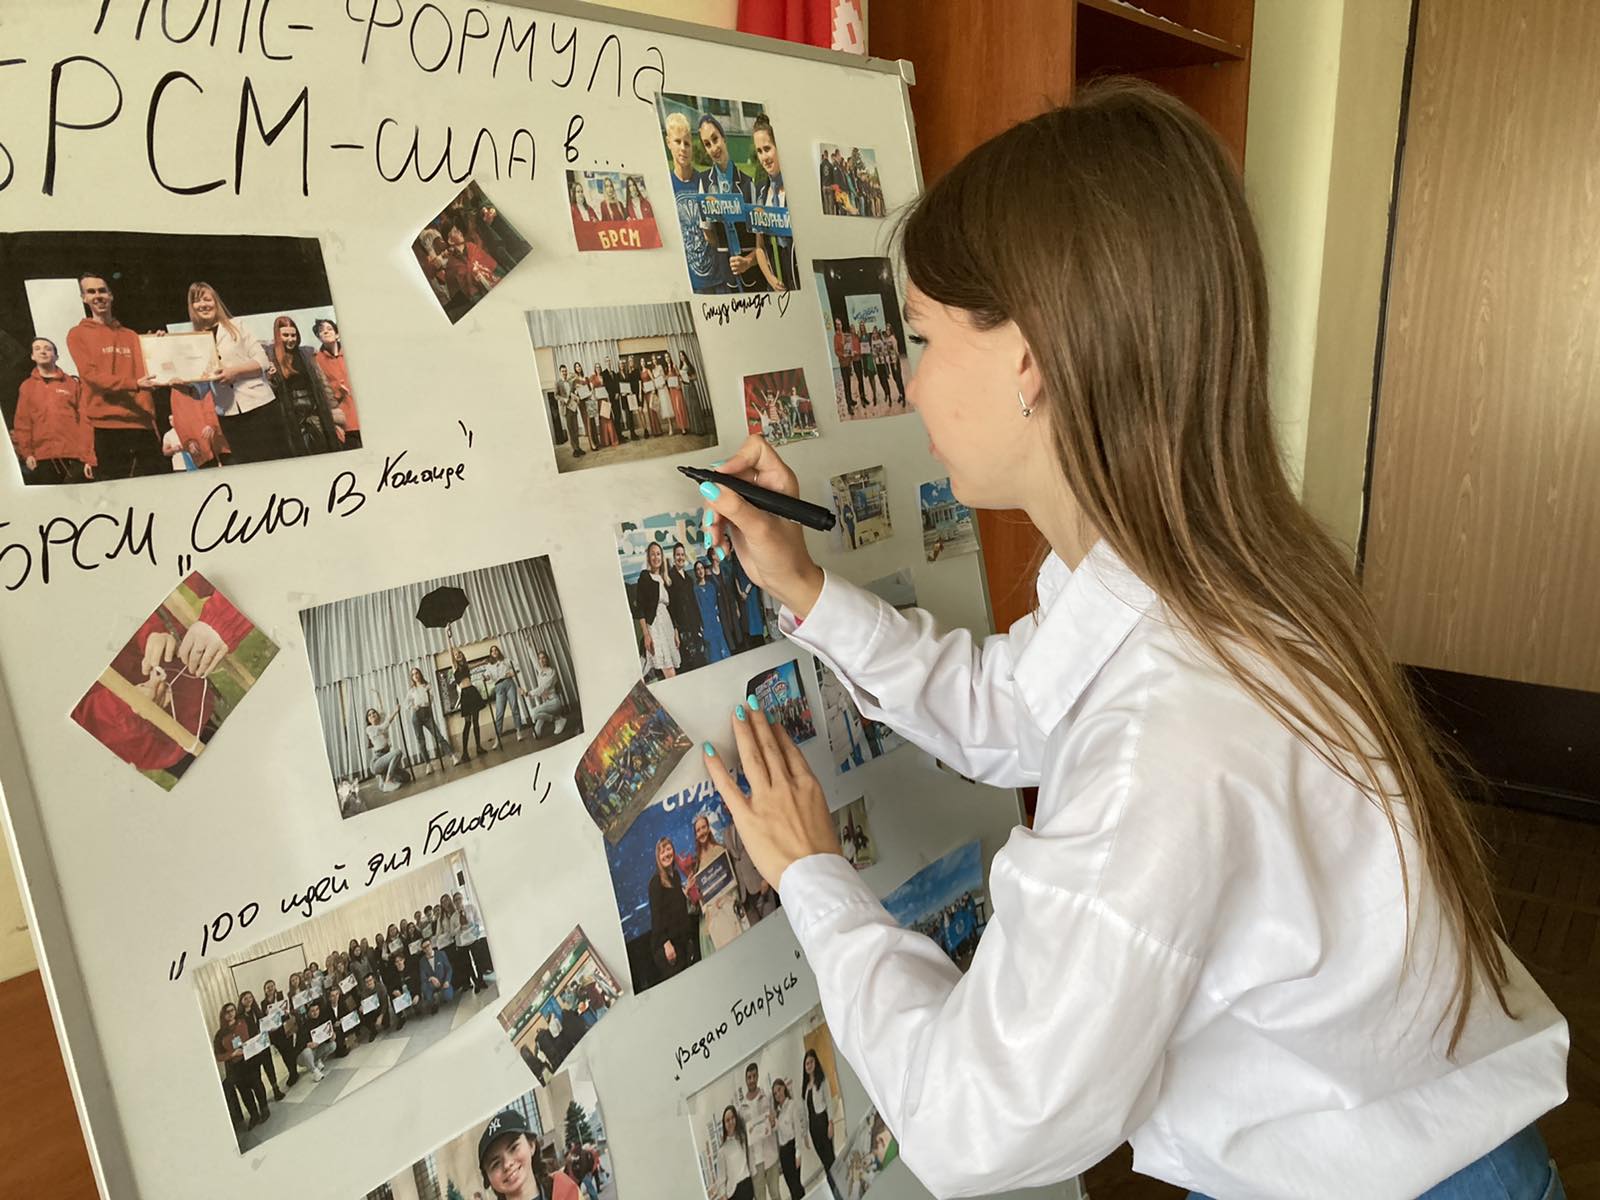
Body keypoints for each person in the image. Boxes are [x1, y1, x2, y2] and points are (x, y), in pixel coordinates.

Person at [692, 81, 1569, 1200]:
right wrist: (805, 588)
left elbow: (975, 1123)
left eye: (918, 336)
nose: (906, 381)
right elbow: (1020, 707)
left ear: (1028, 357)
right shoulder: (1196, 573)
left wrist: (815, 877)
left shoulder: (1169, 727)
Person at [66, 272, 165, 477]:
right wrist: (134, 384)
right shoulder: (77, 334)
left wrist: (158, 345)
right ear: (84, 298)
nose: (98, 296)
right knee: (116, 489)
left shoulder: (131, 336)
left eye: (102, 291)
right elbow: (90, 376)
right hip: (106, 425)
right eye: (91, 292)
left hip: (141, 423)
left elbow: (151, 369)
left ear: (111, 295)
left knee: (153, 488)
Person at [186, 282, 290, 465]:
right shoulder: (194, 340)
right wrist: (177, 384)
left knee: (278, 461)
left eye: (207, 299)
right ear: (191, 307)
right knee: (250, 468)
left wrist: (235, 372)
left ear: (216, 302)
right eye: (197, 301)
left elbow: (262, 361)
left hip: (260, 405)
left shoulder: (237, 325)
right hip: (229, 415)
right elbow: (200, 390)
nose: (203, 304)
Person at [698, 112, 765, 294]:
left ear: (724, 138)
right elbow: (708, 233)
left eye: (715, 139)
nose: (713, 148)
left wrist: (747, 261)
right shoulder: (704, 184)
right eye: (707, 144)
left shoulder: (748, 183)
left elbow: (761, 239)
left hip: (753, 274)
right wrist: (724, 250)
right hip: (727, 276)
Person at [12, 337, 95, 483]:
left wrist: (88, 457)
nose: (43, 352)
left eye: (48, 349)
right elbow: (22, 423)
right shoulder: (27, 387)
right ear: (32, 356)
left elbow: (85, 421)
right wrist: (27, 453)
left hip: (74, 456)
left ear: (56, 356)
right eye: (37, 349)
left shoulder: (72, 384)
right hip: (42, 458)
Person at [664, 110, 720, 294]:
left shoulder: (705, 182)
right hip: (690, 283)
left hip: (717, 278)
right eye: (677, 141)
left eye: (687, 143)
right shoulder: (666, 186)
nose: (683, 148)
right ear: (668, 143)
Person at [479, 1106, 580, 1200]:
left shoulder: (566, 1192)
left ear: (531, 1145)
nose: (507, 1164)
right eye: (495, 1164)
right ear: (488, 1178)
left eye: (514, 1148)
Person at [751, 114, 797, 292]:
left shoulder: (796, 189)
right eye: (759, 151)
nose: (764, 157)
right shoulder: (761, 193)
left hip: (798, 278)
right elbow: (760, 247)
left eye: (767, 149)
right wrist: (771, 280)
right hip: (776, 284)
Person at [648, 835, 698, 981]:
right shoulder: (655, 882)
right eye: (662, 851)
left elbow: (675, 904)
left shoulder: (675, 876)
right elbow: (657, 917)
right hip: (668, 947)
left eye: (668, 849)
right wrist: (666, 944)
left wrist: (686, 891)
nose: (666, 854)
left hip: (681, 941)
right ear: (658, 857)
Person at [214, 1002, 269, 1132]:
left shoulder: (244, 1022)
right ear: (223, 1015)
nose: (230, 1013)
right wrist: (232, 1054)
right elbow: (218, 1056)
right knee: (245, 1092)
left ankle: (264, 1109)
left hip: (250, 1060)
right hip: (235, 1067)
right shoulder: (220, 1035)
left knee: (257, 1085)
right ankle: (254, 1115)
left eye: (232, 1010)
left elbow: (256, 1035)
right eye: (227, 1012)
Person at [632, 541, 681, 679]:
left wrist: (676, 632)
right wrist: (646, 634)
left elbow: (672, 609)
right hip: (655, 625)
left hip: (667, 625)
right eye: (652, 554)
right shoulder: (645, 576)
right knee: (668, 669)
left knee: (671, 667)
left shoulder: (666, 579)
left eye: (658, 554)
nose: (656, 557)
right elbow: (640, 608)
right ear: (648, 558)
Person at [311, 319, 360, 449]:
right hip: (344, 418)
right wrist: (338, 391)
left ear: (337, 334)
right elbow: (322, 391)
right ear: (318, 337)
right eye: (321, 331)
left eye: (329, 329)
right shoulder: (317, 360)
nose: (325, 332)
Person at [737, 1062, 782, 1200]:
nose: (751, 1080)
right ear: (746, 1079)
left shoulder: (767, 1097)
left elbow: (776, 1123)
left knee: (776, 1195)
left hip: (771, 1155)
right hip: (755, 1163)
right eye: (749, 1077)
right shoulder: (741, 1109)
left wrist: (774, 1123)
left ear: (757, 1077)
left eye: (754, 1076)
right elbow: (742, 1138)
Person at [406, 665, 457, 775]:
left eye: (417, 673)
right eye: (413, 674)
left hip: (427, 713)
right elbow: (406, 703)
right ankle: (428, 764)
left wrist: (427, 701)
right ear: (412, 677)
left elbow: (432, 699)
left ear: (420, 674)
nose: (415, 676)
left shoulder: (427, 686)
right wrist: (413, 706)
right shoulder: (411, 690)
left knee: (438, 736)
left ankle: (453, 756)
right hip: (417, 715)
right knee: (421, 741)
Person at [236, 990, 285, 1103]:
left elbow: (265, 1024)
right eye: (245, 998)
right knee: (256, 1074)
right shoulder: (239, 1017)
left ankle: (276, 1089)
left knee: (270, 1068)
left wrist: (272, 1027)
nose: (248, 1000)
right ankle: (262, 1097)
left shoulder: (257, 1011)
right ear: (241, 1001)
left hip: (263, 1044)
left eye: (250, 997)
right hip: (251, 1048)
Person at [668, 543, 706, 670]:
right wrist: (675, 630)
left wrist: (700, 623)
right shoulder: (670, 578)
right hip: (682, 629)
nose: (680, 557)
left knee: (701, 658)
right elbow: (671, 607)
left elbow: (694, 604)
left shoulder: (689, 579)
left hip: (694, 625)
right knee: (690, 662)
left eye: (682, 555)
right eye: (678, 555)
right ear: (674, 557)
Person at [450, 642, 488, 761]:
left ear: (463, 655)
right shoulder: (455, 667)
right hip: (465, 695)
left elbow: (476, 664)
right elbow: (451, 652)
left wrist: (484, 662)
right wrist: (448, 636)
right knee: (468, 723)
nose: (458, 655)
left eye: (459, 653)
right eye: (456, 655)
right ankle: (465, 753)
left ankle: (478, 747)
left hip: (472, 692)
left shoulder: (466, 666)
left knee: (476, 722)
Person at [485, 645, 525, 747]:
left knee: (514, 707)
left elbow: (517, 667)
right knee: (499, 713)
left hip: (509, 683)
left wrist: (511, 673)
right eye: (492, 651)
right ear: (490, 654)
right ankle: (498, 738)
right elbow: (487, 676)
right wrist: (486, 677)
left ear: (498, 651)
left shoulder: (506, 660)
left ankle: (518, 731)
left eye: (496, 650)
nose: (494, 652)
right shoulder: (489, 665)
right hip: (498, 686)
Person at [772, 1078, 806, 1200]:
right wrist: (773, 1122)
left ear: (784, 1088)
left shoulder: (792, 1105)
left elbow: (797, 1131)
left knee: (796, 1186)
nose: (778, 1094)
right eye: (775, 1093)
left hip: (792, 1149)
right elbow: (778, 1130)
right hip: (784, 1153)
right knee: (791, 1187)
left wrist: (798, 1154)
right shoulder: (778, 1112)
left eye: (779, 1090)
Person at [694, 559, 732, 664]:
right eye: (697, 569)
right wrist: (702, 624)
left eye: (701, 568)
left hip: (715, 620)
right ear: (696, 572)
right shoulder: (696, 589)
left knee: (722, 647)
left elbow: (716, 604)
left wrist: (717, 616)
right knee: (712, 651)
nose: (700, 571)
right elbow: (698, 607)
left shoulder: (711, 586)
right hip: (706, 622)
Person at [524, 650, 569, 737]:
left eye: (543, 658)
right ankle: (557, 718)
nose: (541, 660)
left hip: (554, 702)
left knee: (534, 713)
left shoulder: (552, 672)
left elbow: (544, 687)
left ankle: (557, 719)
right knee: (536, 734)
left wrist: (528, 693)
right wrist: (528, 646)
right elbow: (534, 660)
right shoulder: (540, 671)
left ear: (547, 659)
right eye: (539, 658)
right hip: (546, 704)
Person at [455, 888, 494, 989]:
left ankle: (481, 980)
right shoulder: (454, 916)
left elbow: (478, 920)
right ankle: (476, 983)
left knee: (478, 961)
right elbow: (452, 932)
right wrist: (459, 927)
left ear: (462, 899)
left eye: (459, 898)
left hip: (473, 938)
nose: (458, 901)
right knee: (468, 964)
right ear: (454, 902)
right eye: (456, 900)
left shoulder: (471, 908)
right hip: (463, 942)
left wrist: (474, 929)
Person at [364, 705, 408, 793]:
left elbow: (382, 714)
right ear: (368, 720)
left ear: (378, 715)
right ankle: (388, 781)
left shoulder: (382, 730)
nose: (372, 715)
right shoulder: (369, 729)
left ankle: (383, 780)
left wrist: (379, 698)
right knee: (398, 752)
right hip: (377, 762)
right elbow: (384, 726)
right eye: (369, 715)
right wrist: (395, 711)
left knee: (407, 777)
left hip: (386, 759)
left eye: (374, 713)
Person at [717, 1105, 756, 1200]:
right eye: (727, 1120)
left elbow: (750, 1158)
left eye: (732, 1118)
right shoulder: (722, 1150)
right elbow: (721, 1178)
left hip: (747, 1185)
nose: (730, 1122)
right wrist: (723, 1195)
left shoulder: (743, 1138)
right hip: (734, 1192)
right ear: (724, 1124)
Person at [554, 364, 584, 458]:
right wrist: (563, 399)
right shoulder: (558, 383)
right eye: (563, 371)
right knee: (570, 430)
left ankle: (578, 447)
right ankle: (575, 449)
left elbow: (574, 391)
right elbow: (556, 395)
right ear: (560, 372)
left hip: (573, 407)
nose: (564, 373)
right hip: (566, 409)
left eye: (565, 371)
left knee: (575, 429)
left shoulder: (570, 382)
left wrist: (576, 395)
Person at [418, 936, 453, 1014]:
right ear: (423, 950)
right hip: (432, 983)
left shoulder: (441, 954)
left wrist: (447, 981)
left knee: (448, 996)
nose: (427, 949)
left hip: (443, 981)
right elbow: (423, 977)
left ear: (431, 945)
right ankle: (432, 1002)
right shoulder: (422, 961)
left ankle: (443, 994)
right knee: (424, 987)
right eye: (424, 948)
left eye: (428, 945)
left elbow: (449, 969)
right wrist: (431, 978)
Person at [831, 318, 856, 415]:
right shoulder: (835, 337)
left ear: (842, 325)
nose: (838, 326)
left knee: (849, 383)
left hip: (848, 363)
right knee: (846, 384)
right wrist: (843, 355)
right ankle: (849, 406)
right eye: (837, 324)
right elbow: (836, 350)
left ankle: (851, 400)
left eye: (839, 324)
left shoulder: (846, 335)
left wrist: (851, 355)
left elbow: (849, 347)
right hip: (842, 364)